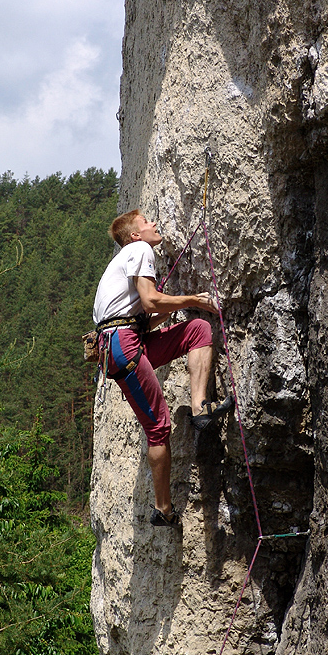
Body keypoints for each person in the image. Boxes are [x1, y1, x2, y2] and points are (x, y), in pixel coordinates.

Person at [93, 209, 234, 528]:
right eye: (147, 222)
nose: (154, 224)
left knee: (198, 330)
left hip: (123, 342)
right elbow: (152, 301)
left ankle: (200, 408)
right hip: (123, 344)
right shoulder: (140, 250)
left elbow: (144, 314)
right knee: (158, 429)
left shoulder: (124, 262)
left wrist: (181, 307)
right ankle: (163, 509)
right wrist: (192, 299)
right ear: (135, 235)